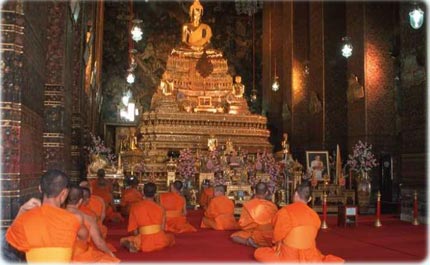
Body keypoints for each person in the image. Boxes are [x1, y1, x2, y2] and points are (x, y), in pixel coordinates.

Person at [6, 169, 88, 262]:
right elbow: (84, 236)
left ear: (40, 188)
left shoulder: (25, 218)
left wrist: (22, 211)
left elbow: (10, 242)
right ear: (64, 193)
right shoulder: (73, 219)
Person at [254, 183, 344, 263]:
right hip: (310, 256)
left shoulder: (285, 211)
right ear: (309, 199)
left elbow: (276, 237)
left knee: (259, 253)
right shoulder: (315, 215)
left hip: (289, 256)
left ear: (296, 194)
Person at [65, 185, 119, 262]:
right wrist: (110, 254)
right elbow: (99, 242)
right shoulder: (88, 218)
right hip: (79, 256)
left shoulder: (56, 215)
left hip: (58, 254)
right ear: (80, 201)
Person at [120, 182, 175, 252]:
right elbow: (162, 228)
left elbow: (134, 229)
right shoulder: (160, 208)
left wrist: (138, 238)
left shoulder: (135, 207)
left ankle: (135, 245)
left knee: (122, 240)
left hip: (143, 239)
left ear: (143, 192)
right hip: (160, 240)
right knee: (171, 237)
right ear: (155, 194)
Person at [231, 182, 278, 248]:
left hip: (256, 236)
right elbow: (276, 222)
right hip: (271, 236)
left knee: (234, 236)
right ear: (267, 192)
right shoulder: (273, 206)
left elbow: (242, 225)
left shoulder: (249, 205)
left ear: (254, 191)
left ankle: (250, 243)